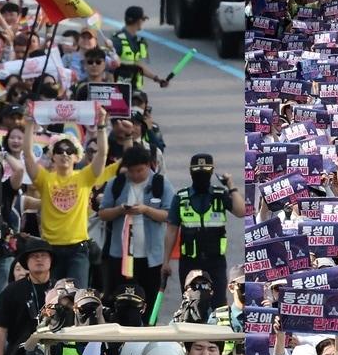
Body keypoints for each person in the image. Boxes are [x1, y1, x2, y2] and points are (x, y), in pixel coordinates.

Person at [21, 109, 115, 288]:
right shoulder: (45, 179)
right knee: (53, 299)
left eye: (69, 150)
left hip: (78, 250)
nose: (64, 154)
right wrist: (29, 124)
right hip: (51, 249)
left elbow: (102, 155)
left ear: (76, 156)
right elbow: (27, 155)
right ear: (52, 156)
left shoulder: (84, 177)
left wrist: (102, 125)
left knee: (77, 299)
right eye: (59, 150)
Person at [163, 153, 244, 311]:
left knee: (219, 306)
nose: (201, 174)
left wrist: (231, 185)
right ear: (191, 172)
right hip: (189, 262)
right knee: (190, 305)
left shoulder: (219, 195)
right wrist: (165, 262)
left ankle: (217, 336)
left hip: (215, 262)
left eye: (206, 171)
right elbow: (171, 231)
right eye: (197, 171)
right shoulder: (181, 198)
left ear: (212, 171)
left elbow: (241, 211)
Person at [98, 145, 172, 303]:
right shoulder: (116, 184)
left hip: (151, 257)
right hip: (122, 256)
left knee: (150, 299)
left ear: (148, 165)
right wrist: (120, 210)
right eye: (132, 171)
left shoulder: (160, 183)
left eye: (140, 170)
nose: (136, 175)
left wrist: (146, 210)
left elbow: (169, 215)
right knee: (121, 300)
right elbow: (103, 213)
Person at [0, 236, 54, 355]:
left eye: (44, 255)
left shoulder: (60, 291)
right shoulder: (10, 291)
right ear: (26, 261)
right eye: (34, 256)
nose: (39, 259)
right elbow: (0, 329)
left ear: (51, 260)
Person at [111, 5, 167, 90]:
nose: (143, 22)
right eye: (143, 19)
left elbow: (138, 65)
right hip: (120, 90)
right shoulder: (117, 40)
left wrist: (156, 79)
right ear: (138, 21)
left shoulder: (137, 40)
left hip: (134, 88)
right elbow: (108, 66)